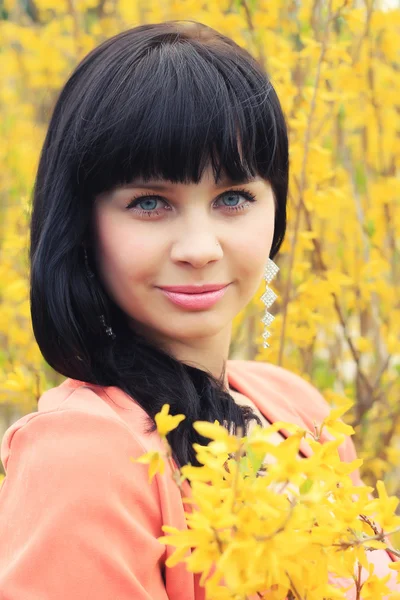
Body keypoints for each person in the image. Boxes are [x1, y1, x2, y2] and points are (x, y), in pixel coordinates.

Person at [0, 20, 397, 600]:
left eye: (233, 198)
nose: (199, 248)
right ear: (83, 225)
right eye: (150, 203)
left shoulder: (293, 406)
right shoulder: (83, 459)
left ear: (277, 212)